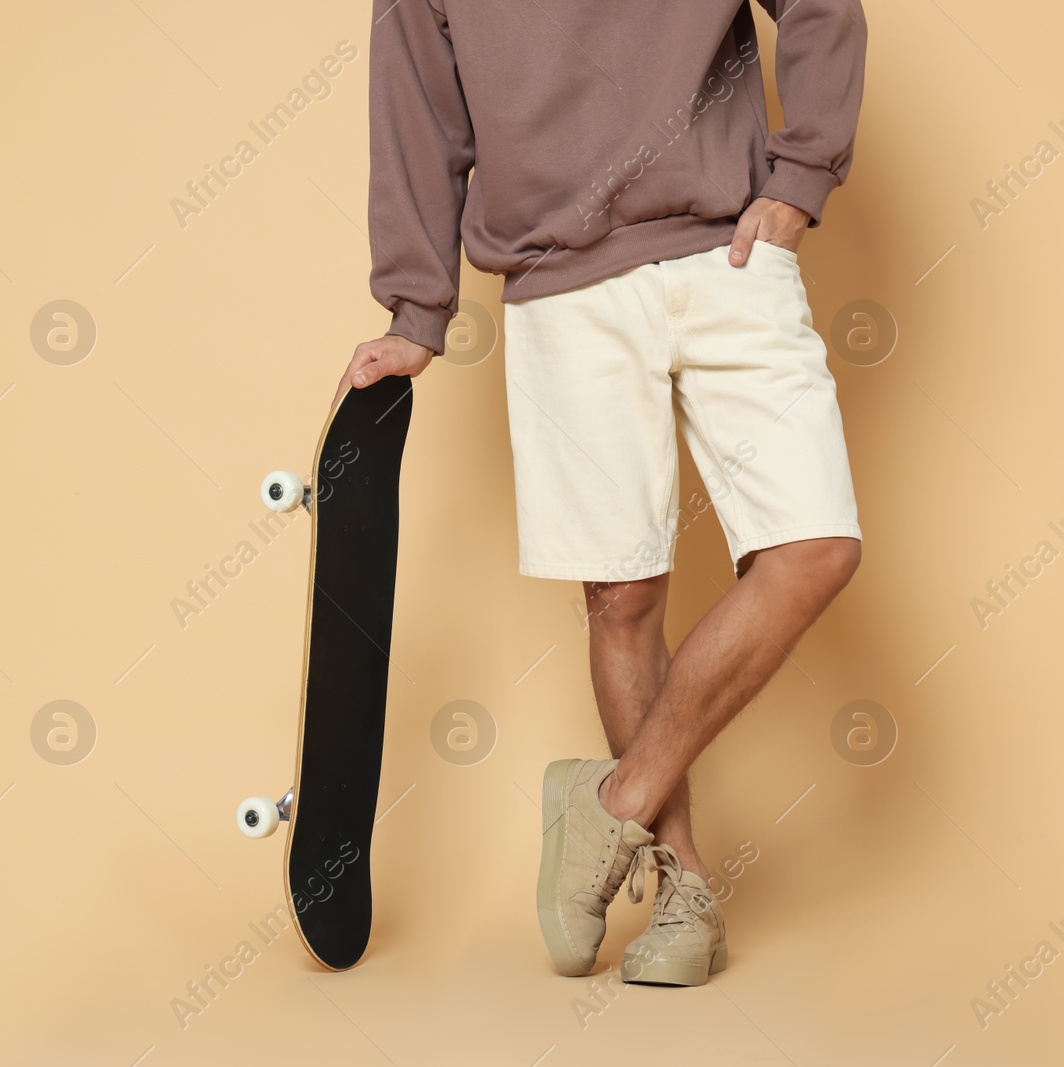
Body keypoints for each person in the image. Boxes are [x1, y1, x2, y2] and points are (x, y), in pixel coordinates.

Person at [341, 0, 866, 986]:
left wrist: (801, 177)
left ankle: (610, 803)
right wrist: (416, 308)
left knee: (814, 548)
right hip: (558, 279)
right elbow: (415, 100)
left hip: (731, 251)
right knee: (621, 596)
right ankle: (682, 892)